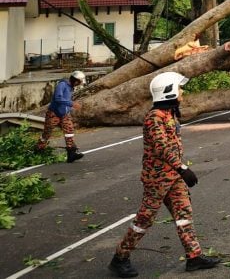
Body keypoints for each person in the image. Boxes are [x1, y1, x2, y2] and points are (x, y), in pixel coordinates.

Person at [109, 72, 219, 277]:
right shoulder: (154, 117)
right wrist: (183, 168)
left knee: (184, 215)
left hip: (174, 178)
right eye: (179, 88)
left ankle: (194, 257)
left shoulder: (170, 113)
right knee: (144, 220)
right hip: (157, 179)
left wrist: (179, 171)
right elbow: (161, 147)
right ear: (168, 92)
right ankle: (120, 258)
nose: (182, 91)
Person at [36, 70, 85, 162]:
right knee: (47, 133)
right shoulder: (62, 85)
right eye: (79, 82)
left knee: (69, 130)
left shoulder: (71, 87)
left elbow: (66, 99)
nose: (79, 85)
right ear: (75, 81)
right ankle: (39, 150)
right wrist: (71, 104)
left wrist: (68, 108)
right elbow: (58, 98)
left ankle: (71, 153)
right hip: (54, 114)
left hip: (64, 114)